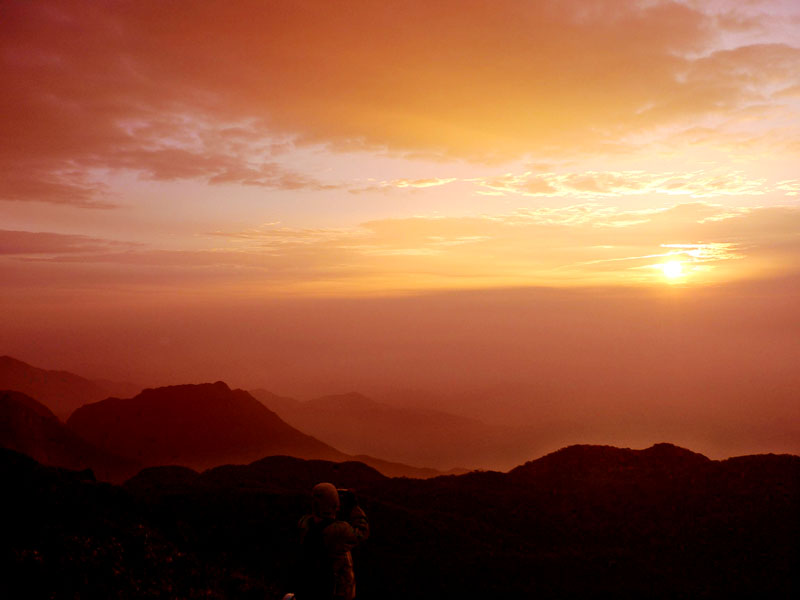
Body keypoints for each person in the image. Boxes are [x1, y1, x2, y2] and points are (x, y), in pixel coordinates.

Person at [294, 482, 369, 600]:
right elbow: (362, 532)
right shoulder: (340, 531)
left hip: (309, 591)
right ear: (335, 505)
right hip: (335, 593)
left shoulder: (304, 524)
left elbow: (319, 518)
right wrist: (354, 507)